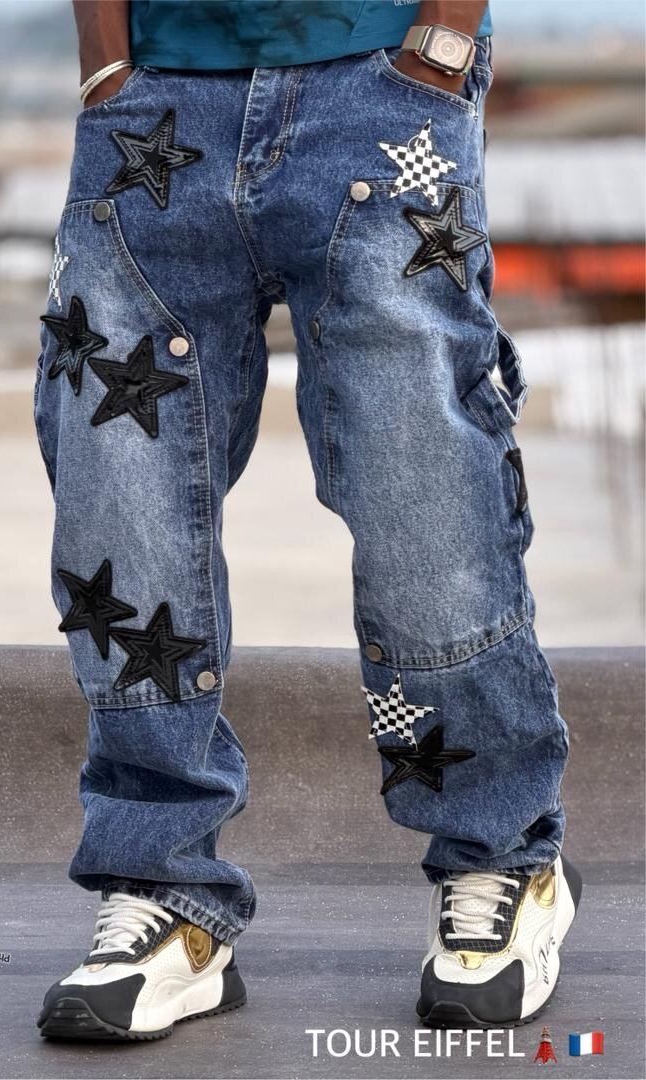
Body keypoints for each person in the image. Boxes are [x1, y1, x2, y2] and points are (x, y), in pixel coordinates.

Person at [35, 0, 580, 1041]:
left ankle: (502, 854)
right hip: (151, 101)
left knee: (423, 499)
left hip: (380, 86)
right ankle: (162, 889)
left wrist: (443, 42)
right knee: (119, 506)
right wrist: (105, 68)